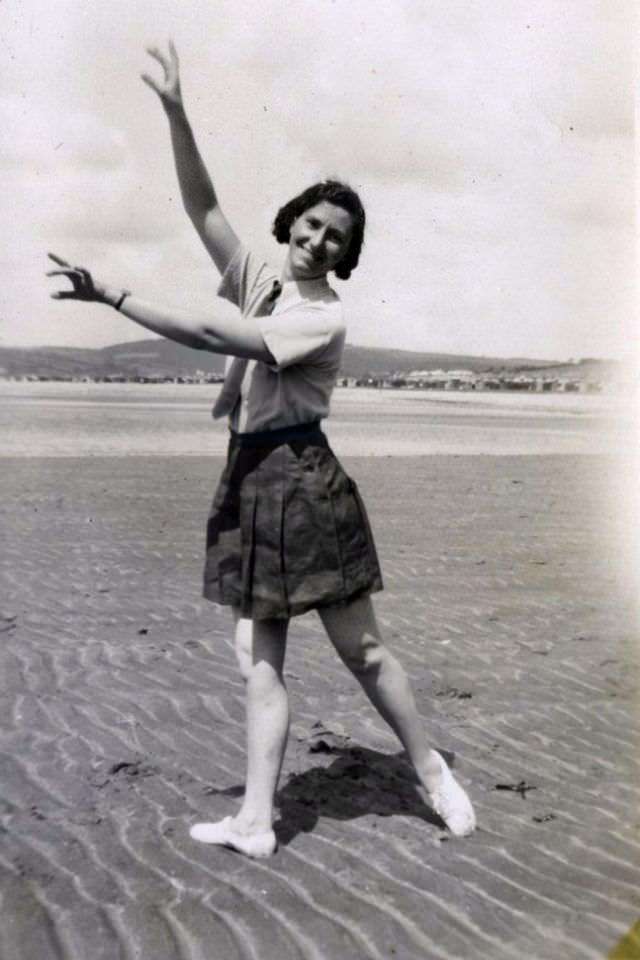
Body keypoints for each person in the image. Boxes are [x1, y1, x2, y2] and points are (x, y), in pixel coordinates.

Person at [47, 42, 475, 858]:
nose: (317, 240)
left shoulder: (322, 315)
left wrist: (114, 295)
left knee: (363, 649)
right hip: (248, 481)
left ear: (348, 256)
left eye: (336, 237)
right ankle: (256, 820)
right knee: (260, 663)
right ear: (293, 223)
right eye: (311, 224)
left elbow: (216, 333)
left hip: (304, 484)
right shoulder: (259, 278)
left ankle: (429, 771)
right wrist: (176, 111)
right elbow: (201, 207)